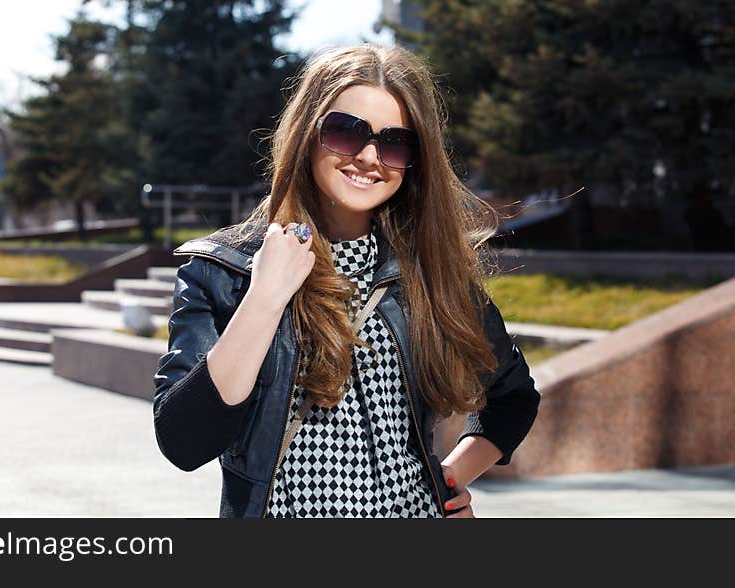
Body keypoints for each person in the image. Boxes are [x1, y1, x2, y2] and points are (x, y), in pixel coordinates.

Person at [153, 44, 540, 518]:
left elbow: (513, 398)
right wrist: (266, 297)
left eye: (396, 142)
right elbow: (184, 442)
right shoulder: (223, 270)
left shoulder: (429, 275)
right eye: (345, 132)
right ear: (306, 135)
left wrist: (449, 483)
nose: (370, 157)